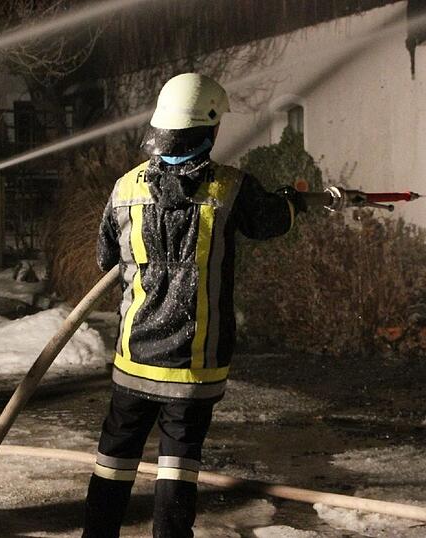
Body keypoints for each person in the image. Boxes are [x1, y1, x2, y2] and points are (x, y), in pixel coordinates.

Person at [83, 73, 334, 537]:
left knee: (114, 456)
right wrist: (293, 201)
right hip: (193, 362)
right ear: (210, 127)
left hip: (135, 358)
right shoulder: (231, 188)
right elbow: (271, 222)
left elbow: (105, 259)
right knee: (178, 463)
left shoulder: (125, 188)